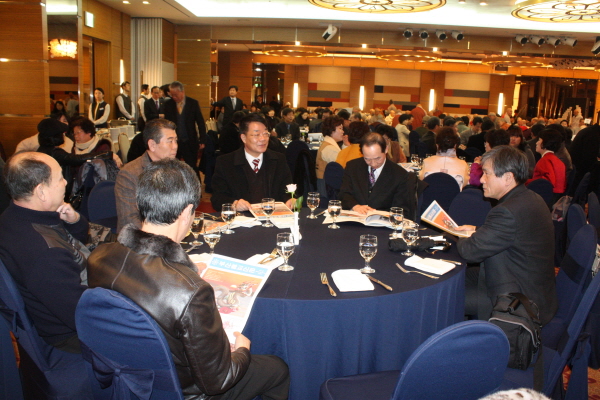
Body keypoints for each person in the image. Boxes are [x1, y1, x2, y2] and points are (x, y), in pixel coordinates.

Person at [88, 158, 290, 399]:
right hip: (183, 390)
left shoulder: (98, 258)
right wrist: (243, 351)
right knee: (278, 369)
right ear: (187, 212)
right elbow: (219, 380)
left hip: (129, 372)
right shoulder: (191, 290)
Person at [456, 145, 557, 325]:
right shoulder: (530, 197)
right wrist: (476, 230)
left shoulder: (507, 211)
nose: (481, 179)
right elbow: (513, 233)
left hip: (518, 299)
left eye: (487, 173)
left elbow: (469, 252)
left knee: (446, 296)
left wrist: (457, 236)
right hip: (528, 282)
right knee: (461, 276)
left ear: (508, 178)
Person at [0, 152, 90, 353]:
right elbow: (83, 315)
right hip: (71, 333)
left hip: (62, 305)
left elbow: (74, 242)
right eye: (60, 178)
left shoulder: (15, 216)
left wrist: (74, 220)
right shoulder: (44, 253)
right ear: (41, 191)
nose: (65, 182)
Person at [211, 114, 293, 212]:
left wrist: (290, 199)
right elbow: (217, 198)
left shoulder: (278, 159)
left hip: (273, 217)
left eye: (265, 133)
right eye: (256, 135)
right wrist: (235, 204)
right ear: (243, 138)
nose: (263, 139)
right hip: (242, 218)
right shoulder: (226, 162)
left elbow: (287, 190)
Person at [115, 118, 179, 232]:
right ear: (152, 145)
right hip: (141, 238)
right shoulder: (129, 174)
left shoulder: (176, 168)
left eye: (176, 141)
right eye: (170, 141)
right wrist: (162, 237)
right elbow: (129, 220)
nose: (175, 146)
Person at [339, 133, 413, 216]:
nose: (373, 163)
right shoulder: (352, 166)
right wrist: (355, 206)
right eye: (367, 159)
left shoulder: (400, 174)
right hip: (355, 217)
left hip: (382, 220)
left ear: (386, 149)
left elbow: (401, 208)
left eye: (377, 158)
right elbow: (344, 193)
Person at [37, 118, 113, 197]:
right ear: (56, 136)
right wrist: (105, 154)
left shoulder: (43, 150)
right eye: (62, 134)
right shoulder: (54, 152)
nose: (64, 136)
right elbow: (76, 159)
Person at [163, 81, 207, 171]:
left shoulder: (193, 103)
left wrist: (202, 139)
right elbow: (165, 124)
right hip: (173, 142)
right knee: (173, 168)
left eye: (176, 95)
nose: (174, 97)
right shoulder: (168, 104)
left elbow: (200, 122)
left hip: (189, 141)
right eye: (172, 95)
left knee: (192, 168)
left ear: (182, 92)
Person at [526, 129, 567, 194]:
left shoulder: (545, 160)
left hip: (544, 195)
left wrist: (525, 182)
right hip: (556, 195)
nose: (536, 143)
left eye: (539, 140)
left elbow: (546, 182)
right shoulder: (557, 160)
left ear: (545, 143)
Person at [315, 115, 344, 196]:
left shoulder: (328, 144)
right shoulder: (329, 148)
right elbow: (342, 168)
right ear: (331, 130)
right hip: (326, 187)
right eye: (340, 128)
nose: (343, 132)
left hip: (327, 184)